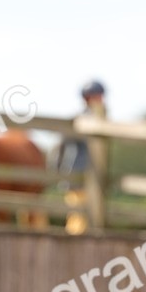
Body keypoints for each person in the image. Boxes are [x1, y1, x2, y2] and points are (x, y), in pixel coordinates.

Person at [56, 80, 108, 234]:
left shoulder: (100, 118)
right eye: (96, 96)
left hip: (94, 177)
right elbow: (63, 144)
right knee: (77, 219)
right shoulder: (82, 119)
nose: (100, 100)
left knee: (89, 219)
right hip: (78, 176)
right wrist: (59, 171)